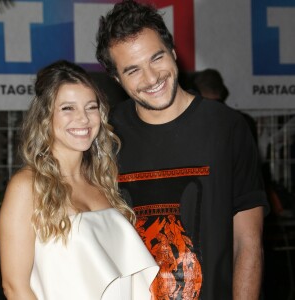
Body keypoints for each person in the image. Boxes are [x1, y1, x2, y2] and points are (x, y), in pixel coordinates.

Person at [95, 1, 269, 299]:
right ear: (116, 78)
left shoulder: (226, 127)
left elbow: (248, 242)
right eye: (133, 70)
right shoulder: (106, 135)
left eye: (157, 58)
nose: (151, 78)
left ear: (174, 52)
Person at [0, 60, 158, 300]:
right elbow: (15, 287)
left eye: (91, 107)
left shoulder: (103, 182)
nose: (83, 119)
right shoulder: (27, 187)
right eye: (67, 108)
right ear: (45, 116)